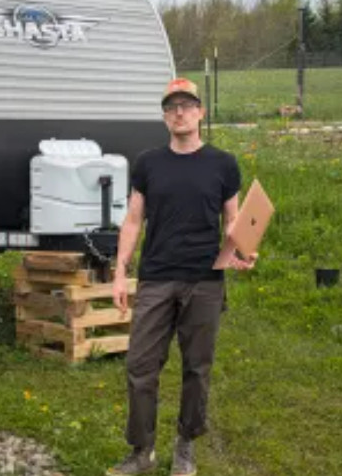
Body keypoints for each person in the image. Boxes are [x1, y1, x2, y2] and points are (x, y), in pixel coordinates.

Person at [108, 77, 257, 476]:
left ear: (200, 113)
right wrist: (120, 271)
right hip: (156, 278)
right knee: (140, 366)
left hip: (205, 281)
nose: (179, 112)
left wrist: (243, 249)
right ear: (164, 117)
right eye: (171, 107)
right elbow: (133, 220)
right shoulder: (148, 163)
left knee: (196, 368)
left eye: (187, 105)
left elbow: (232, 221)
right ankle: (142, 451)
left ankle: (185, 446)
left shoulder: (223, 164)